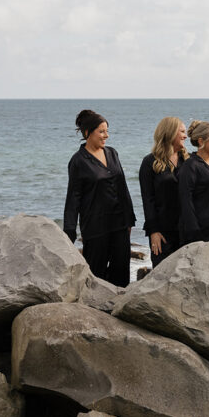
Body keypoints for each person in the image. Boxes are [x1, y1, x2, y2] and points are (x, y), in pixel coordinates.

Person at [63, 109, 136, 286]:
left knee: (121, 273)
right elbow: (73, 198)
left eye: (107, 131)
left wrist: (129, 220)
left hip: (119, 224)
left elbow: (122, 188)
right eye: (101, 131)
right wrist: (69, 233)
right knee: (96, 277)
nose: (106, 136)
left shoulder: (112, 153)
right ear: (87, 133)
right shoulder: (78, 161)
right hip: (95, 227)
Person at [138, 116, 188, 268]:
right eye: (182, 131)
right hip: (163, 233)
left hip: (186, 231)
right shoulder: (149, 162)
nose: (186, 136)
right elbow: (148, 199)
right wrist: (153, 232)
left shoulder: (189, 160)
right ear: (170, 133)